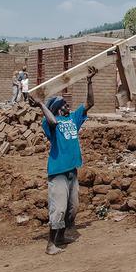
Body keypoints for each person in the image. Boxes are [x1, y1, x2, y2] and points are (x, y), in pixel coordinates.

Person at [27, 65, 97, 256]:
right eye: (64, 105)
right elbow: (52, 121)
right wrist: (41, 105)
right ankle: (51, 244)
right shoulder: (49, 123)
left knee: (72, 208)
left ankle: (60, 237)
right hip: (57, 172)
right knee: (58, 209)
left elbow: (90, 103)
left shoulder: (74, 119)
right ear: (57, 109)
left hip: (72, 170)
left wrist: (89, 81)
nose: (68, 106)